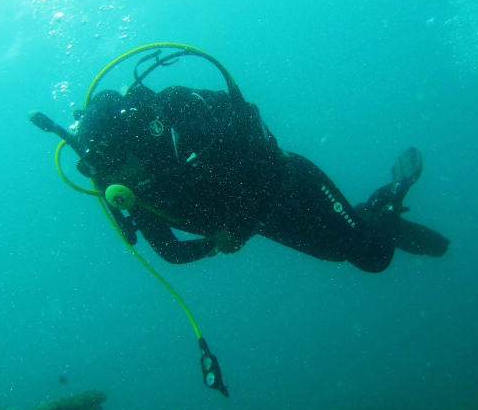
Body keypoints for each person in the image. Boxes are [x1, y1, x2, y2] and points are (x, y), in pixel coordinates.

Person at [43, 83, 449, 273]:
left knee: (372, 256)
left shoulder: (191, 135)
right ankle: (368, 215)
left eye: (114, 159)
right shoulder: (123, 186)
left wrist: (236, 231)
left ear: (134, 139)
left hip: (289, 183)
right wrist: (213, 245)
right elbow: (169, 251)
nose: (113, 176)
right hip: (258, 220)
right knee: (337, 253)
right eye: (99, 165)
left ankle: (388, 199)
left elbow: (270, 174)